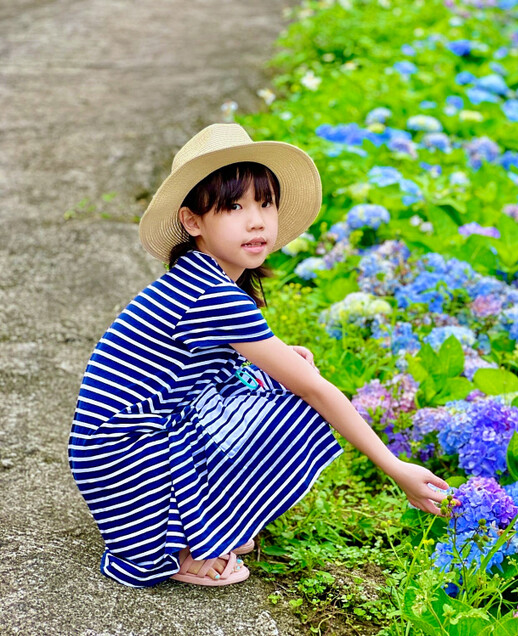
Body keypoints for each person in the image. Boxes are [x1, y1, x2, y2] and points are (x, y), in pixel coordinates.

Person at [68, 123, 449, 588]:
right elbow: (313, 391)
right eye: (234, 206)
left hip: (115, 449)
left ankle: (205, 520)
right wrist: (395, 468)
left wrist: (274, 360)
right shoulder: (213, 294)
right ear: (193, 222)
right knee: (299, 400)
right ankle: (180, 549)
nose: (257, 221)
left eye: (265, 203)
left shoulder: (200, 276)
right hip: (124, 460)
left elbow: (190, 365)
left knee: (274, 380)